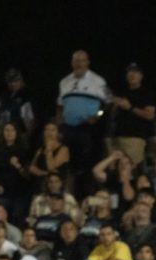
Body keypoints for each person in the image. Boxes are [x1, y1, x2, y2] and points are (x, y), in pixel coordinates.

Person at [57, 50, 111, 190]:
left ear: (87, 62)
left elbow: (109, 103)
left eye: (82, 60)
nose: (79, 63)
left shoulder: (98, 81)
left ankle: (89, 193)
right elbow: (60, 106)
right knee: (69, 165)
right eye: (76, 60)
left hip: (88, 129)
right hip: (69, 129)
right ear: (71, 62)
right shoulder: (64, 82)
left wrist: (97, 116)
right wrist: (59, 126)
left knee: (88, 164)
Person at [110, 63, 156, 167]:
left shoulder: (146, 93)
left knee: (132, 170)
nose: (132, 74)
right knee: (114, 172)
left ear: (141, 76)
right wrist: (114, 106)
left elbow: (150, 115)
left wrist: (130, 107)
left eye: (135, 72)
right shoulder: (122, 93)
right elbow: (112, 116)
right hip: (117, 138)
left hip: (134, 139)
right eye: (129, 72)